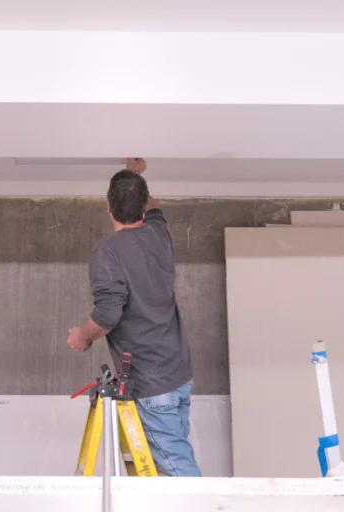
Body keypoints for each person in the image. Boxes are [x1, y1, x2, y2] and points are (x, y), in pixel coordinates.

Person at [66, 158, 201, 477]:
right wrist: (134, 177)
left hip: (152, 382)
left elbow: (109, 311)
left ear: (109, 209)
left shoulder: (108, 251)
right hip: (178, 374)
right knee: (176, 454)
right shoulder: (159, 233)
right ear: (142, 209)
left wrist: (82, 336)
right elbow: (153, 204)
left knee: (177, 470)